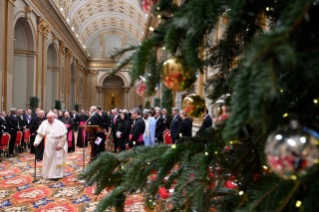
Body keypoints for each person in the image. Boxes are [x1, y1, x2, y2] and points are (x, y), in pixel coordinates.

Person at [34, 112, 68, 181]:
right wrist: (36, 142)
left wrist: (60, 145)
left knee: (56, 159)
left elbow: (64, 136)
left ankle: (56, 175)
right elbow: (40, 134)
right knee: (48, 158)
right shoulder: (44, 123)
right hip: (48, 144)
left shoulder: (59, 124)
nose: (49, 120)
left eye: (50, 118)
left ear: (54, 117)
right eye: (48, 118)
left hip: (57, 144)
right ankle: (48, 174)